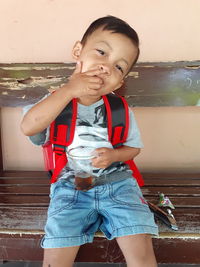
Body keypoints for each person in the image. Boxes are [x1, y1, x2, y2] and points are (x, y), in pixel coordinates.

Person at [21, 15, 158, 267]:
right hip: (69, 188)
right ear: (78, 51)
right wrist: (69, 90)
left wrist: (114, 156)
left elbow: (133, 148)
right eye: (101, 52)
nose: (107, 66)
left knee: (140, 245)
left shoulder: (119, 109)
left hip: (119, 185)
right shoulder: (56, 102)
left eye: (119, 67)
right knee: (58, 244)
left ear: (121, 80)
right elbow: (28, 126)